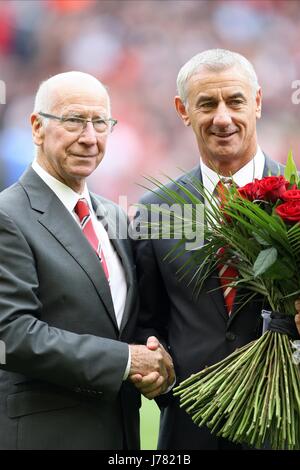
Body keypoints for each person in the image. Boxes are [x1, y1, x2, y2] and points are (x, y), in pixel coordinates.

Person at [133, 49, 300, 449]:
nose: (222, 117)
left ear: (257, 102)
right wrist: (156, 364)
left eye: (235, 101)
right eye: (207, 104)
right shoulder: (155, 211)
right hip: (191, 429)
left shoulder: (296, 194)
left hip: (287, 425)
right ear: (183, 110)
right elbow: (147, 320)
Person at [0, 71, 174, 450]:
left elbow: (126, 327)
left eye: (100, 123)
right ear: (37, 127)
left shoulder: (113, 217)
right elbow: (10, 336)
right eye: (75, 120)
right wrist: (125, 362)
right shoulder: (7, 215)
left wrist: (155, 365)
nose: (90, 137)